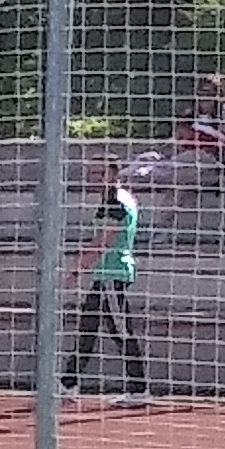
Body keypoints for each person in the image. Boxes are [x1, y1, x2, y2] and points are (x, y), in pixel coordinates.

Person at [62, 159, 152, 405]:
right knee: (87, 329)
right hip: (104, 274)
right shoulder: (117, 199)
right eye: (93, 172)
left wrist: (76, 270)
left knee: (121, 331)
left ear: (114, 174)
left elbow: (103, 242)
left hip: (113, 274)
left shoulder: (116, 202)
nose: (94, 177)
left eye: (101, 172)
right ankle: (68, 384)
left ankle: (138, 389)